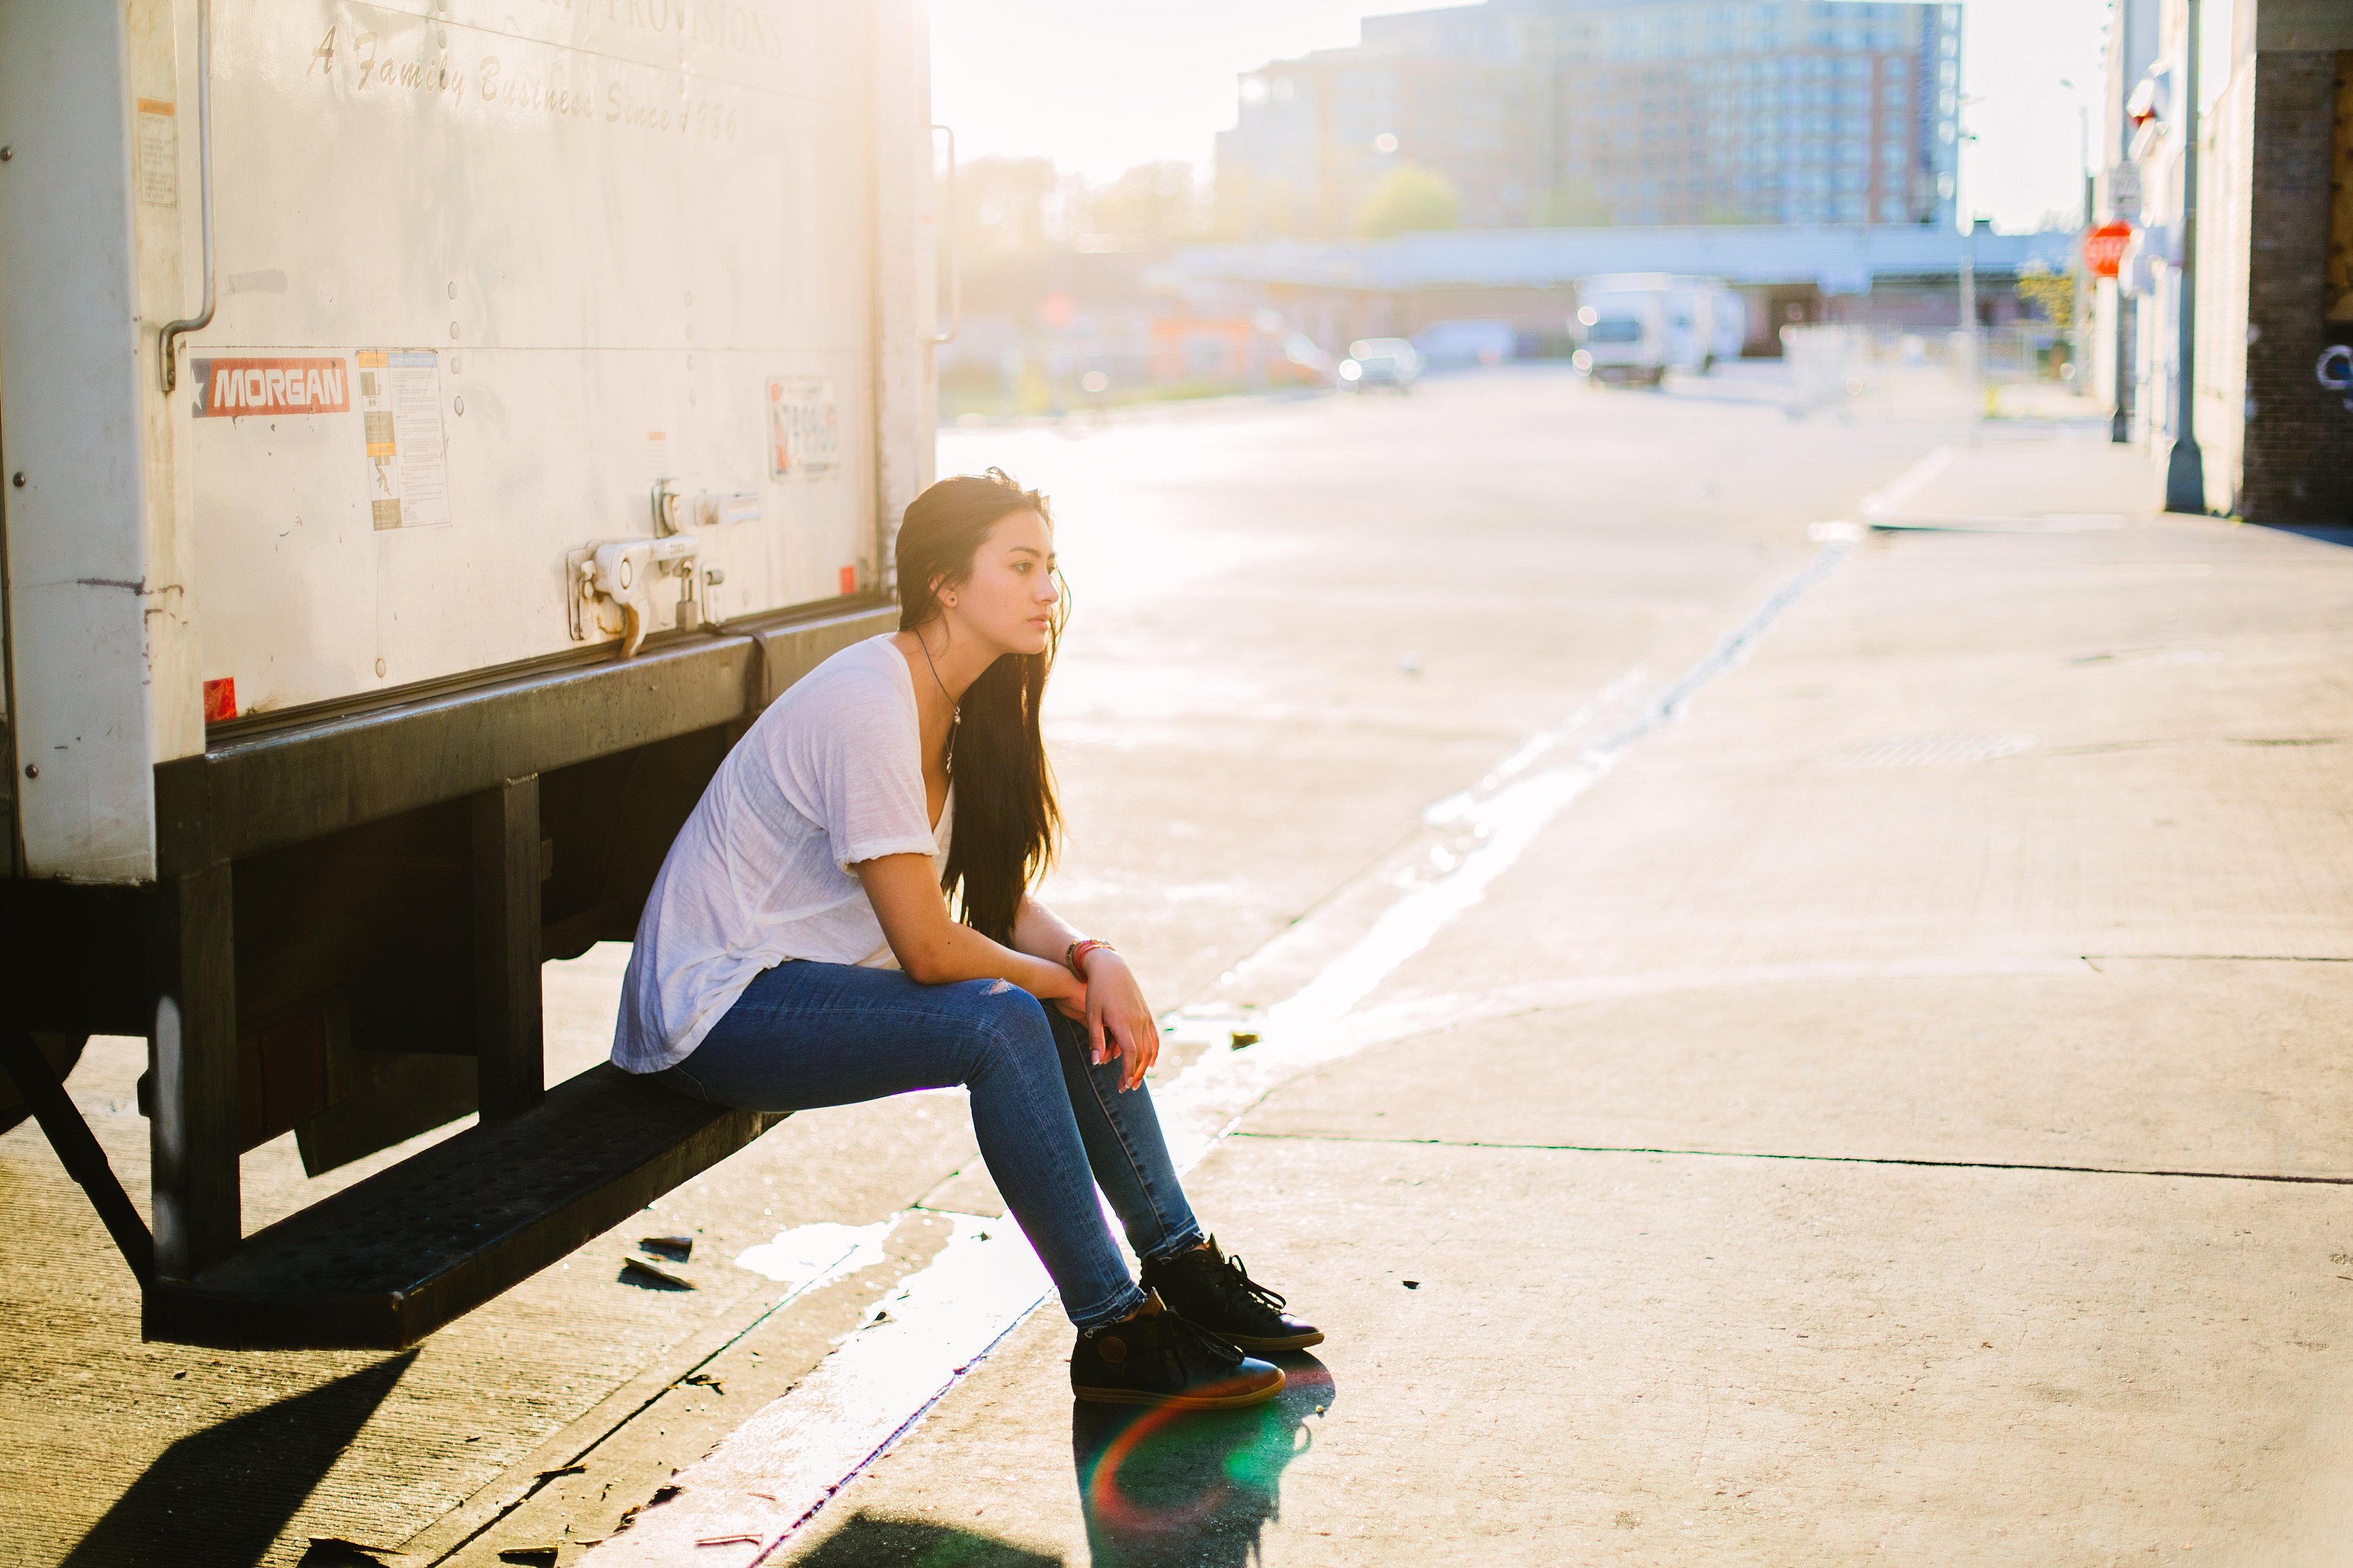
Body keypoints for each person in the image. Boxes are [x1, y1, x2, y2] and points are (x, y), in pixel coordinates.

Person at [611, 469, 1318, 1409]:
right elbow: (933, 950)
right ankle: (1114, 1331)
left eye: (1051, 568)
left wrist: (1089, 958)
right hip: (715, 1009)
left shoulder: (965, 703)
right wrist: (1060, 984)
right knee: (1004, 1016)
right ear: (947, 583)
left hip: (797, 987)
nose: (1045, 591)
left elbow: (989, 893)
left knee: (1044, 996)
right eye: (1020, 566)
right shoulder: (873, 697)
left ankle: (1179, 1262)